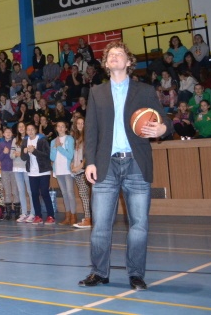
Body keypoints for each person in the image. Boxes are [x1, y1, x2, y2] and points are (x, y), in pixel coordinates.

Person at [79, 41, 172, 291]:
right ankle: (99, 272)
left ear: (129, 62)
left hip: (136, 164)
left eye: (119, 54)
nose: (114, 56)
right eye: (110, 54)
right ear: (105, 63)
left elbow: (165, 121)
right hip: (105, 164)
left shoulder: (144, 90)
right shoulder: (96, 92)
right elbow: (91, 131)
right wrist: (90, 162)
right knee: (100, 225)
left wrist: (162, 128)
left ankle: (136, 274)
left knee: (139, 224)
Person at [21, 123, 55, 225]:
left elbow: (47, 155)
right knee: (34, 194)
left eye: (32, 129)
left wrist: (34, 151)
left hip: (43, 171)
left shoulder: (42, 140)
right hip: (32, 172)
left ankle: (51, 216)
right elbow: (23, 158)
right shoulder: (25, 141)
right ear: (26, 131)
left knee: (44, 193)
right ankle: (38, 216)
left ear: (35, 130)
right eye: (28, 129)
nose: (30, 131)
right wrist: (25, 152)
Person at [50, 121, 77, 225]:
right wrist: (55, 147)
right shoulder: (53, 141)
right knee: (64, 193)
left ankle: (73, 215)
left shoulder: (69, 139)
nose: (60, 128)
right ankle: (67, 216)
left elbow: (70, 155)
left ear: (66, 128)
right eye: (58, 126)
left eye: (63, 126)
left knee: (70, 193)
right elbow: (52, 157)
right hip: (58, 169)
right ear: (56, 128)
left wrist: (59, 147)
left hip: (67, 170)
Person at [70, 116, 92, 228]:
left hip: (84, 170)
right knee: (83, 194)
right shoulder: (75, 138)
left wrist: (79, 166)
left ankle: (88, 219)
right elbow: (74, 155)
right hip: (77, 171)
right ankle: (88, 217)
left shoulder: (88, 137)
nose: (80, 125)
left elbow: (88, 155)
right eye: (78, 123)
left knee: (84, 195)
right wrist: (72, 164)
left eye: (82, 123)